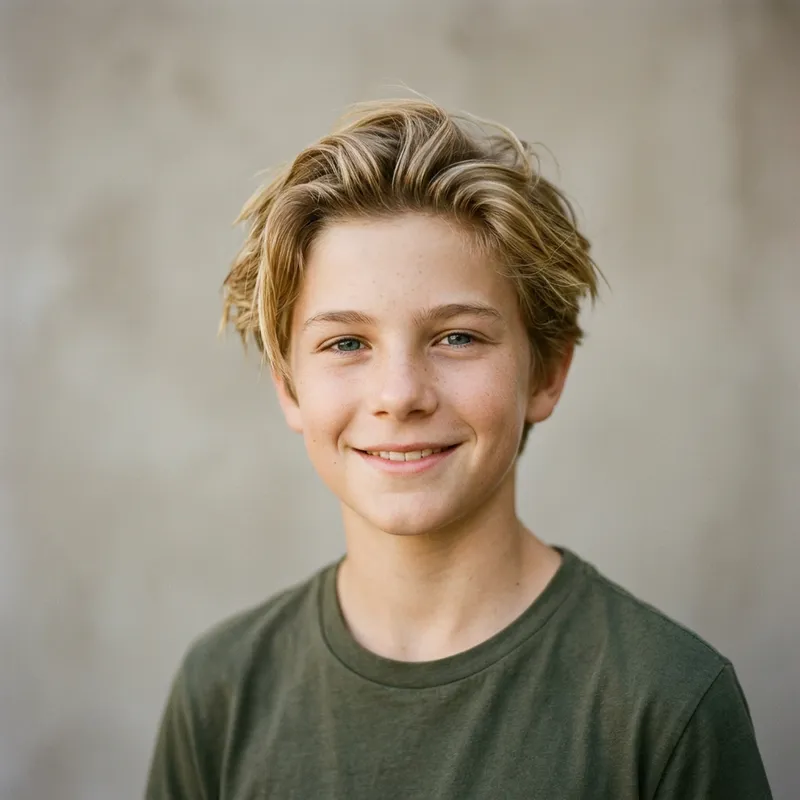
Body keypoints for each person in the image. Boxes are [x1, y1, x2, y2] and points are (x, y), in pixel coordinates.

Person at [146, 99, 772, 799]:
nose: (401, 393)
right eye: (346, 343)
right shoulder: (221, 694)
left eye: (457, 337)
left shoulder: (666, 704)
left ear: (547, 372)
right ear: (290, 389)